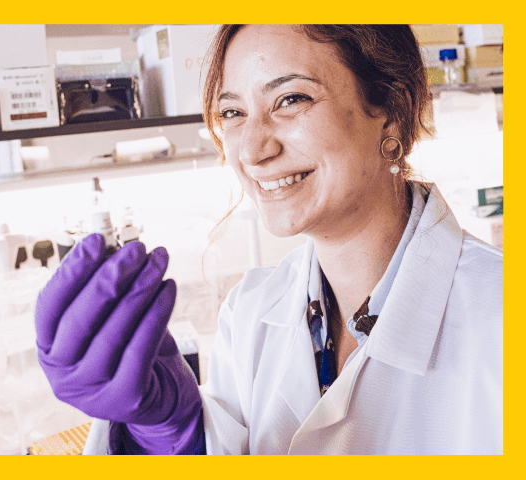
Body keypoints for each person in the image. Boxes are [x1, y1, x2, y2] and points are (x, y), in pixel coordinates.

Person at [36, 25, 503, 454]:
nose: (254, 151)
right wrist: (168, 432)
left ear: (391, 112)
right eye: (233, 112)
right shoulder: (250, 312)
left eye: (291, 100)